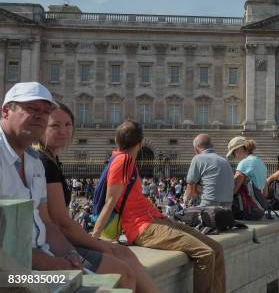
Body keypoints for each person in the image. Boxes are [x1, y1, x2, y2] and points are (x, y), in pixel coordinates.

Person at [34, 102, 158, 292]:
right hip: (52, 246)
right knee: (123, 272)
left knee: (123, 254)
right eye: (55, 125)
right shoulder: (45, 162)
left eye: (68, 125)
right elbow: (61, 223)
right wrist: (98, 243)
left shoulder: (49, 159)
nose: (63, 131)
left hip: (56, 241)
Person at [92, 120, 225, 293]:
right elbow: (111, 201)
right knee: (205, 253)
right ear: (140, 144)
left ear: (117, 141)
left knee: (217, 248)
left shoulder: (124, 160)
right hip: (142, 227)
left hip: (155, 220)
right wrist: (94, 236)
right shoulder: (123, 160)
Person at [0, 82, 91, 272]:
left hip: (39, 263)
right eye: (31, 108)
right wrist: (48, 263)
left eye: (46, 111)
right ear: (6, 111)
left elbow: (46, 223)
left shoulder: (35, 161)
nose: (40, 115)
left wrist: (70, 253)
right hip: (13, 274)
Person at [185, 134, 234, 208]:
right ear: (212, 145)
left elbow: (190, 184)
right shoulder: (224, 160)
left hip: (209, 204)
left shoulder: (198, 158)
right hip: (228, 205)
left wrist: (187, 201)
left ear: (196, 148)